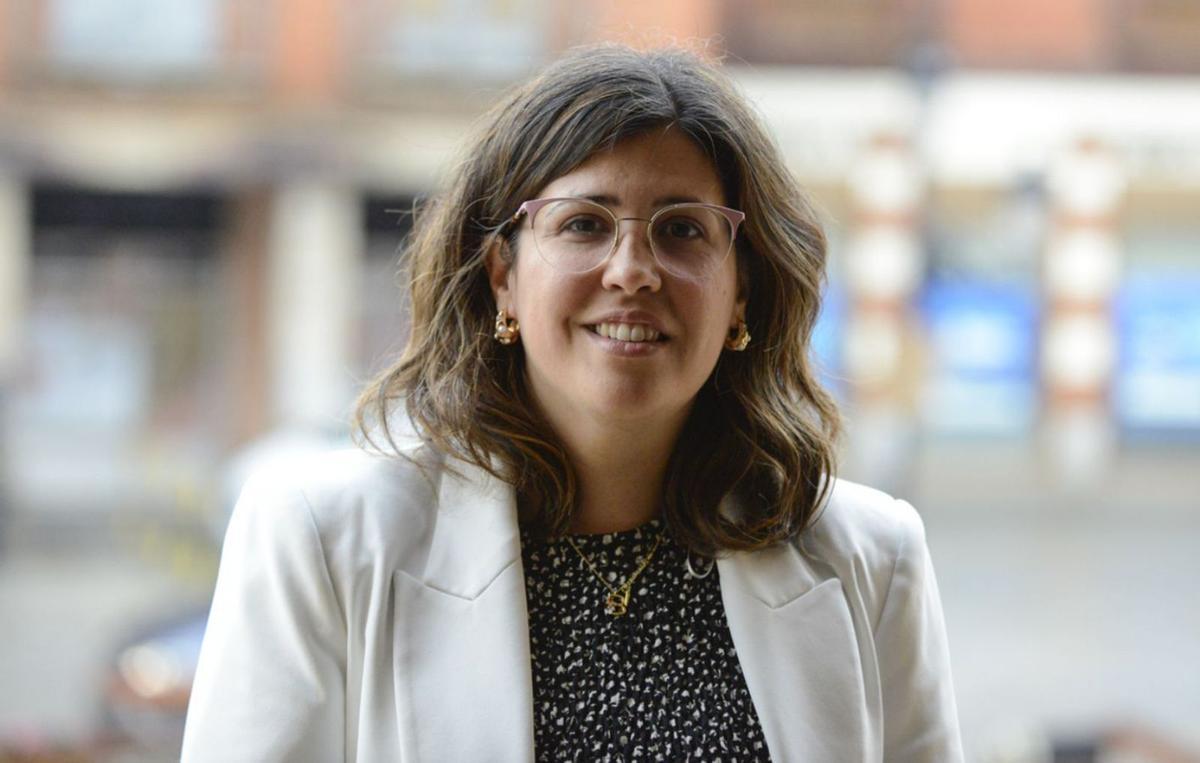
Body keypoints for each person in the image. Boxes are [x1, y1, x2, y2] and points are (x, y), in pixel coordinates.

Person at [181, 44, 963, 762]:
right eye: (584, 224)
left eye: (683, 230)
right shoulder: (322, 540)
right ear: (502, 276)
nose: (632, 270)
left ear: (742, 293)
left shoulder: (873, 559)